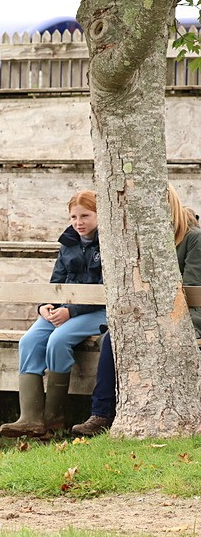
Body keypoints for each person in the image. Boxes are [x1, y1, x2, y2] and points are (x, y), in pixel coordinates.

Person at [73, 185, 201, 436]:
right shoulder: (143, 239)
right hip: (150, 313)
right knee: (112, 338)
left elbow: (191, 288)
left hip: (190, 314)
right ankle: (101, 413)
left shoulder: (192, 238)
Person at [0, 189, 106, 438]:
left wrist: (71, 311)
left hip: (98, 310)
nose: (79, 223)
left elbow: (106, 288)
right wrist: (44, 305)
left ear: (100, 214)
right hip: (65, 309)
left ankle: (52, 418)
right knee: (29, 340)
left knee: (58, 340)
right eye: (73, 217)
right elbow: (56, 280)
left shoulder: (109, 243)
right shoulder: (68, 243)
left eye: (85, 216)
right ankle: (29, 418)